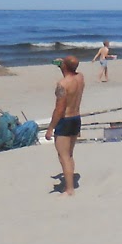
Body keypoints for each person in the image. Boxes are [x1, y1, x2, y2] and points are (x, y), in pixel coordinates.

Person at [46, 55, 86, 196]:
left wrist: (51, 128)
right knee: (69, 154)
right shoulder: (80, 77)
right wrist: (63, 66)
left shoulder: (62, 84)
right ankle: (70, 183)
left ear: (65, 66)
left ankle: (69, 189)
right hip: (76, 118)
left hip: (65, 120)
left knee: (63, 156)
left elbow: (59, 109)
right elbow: (70, 70)